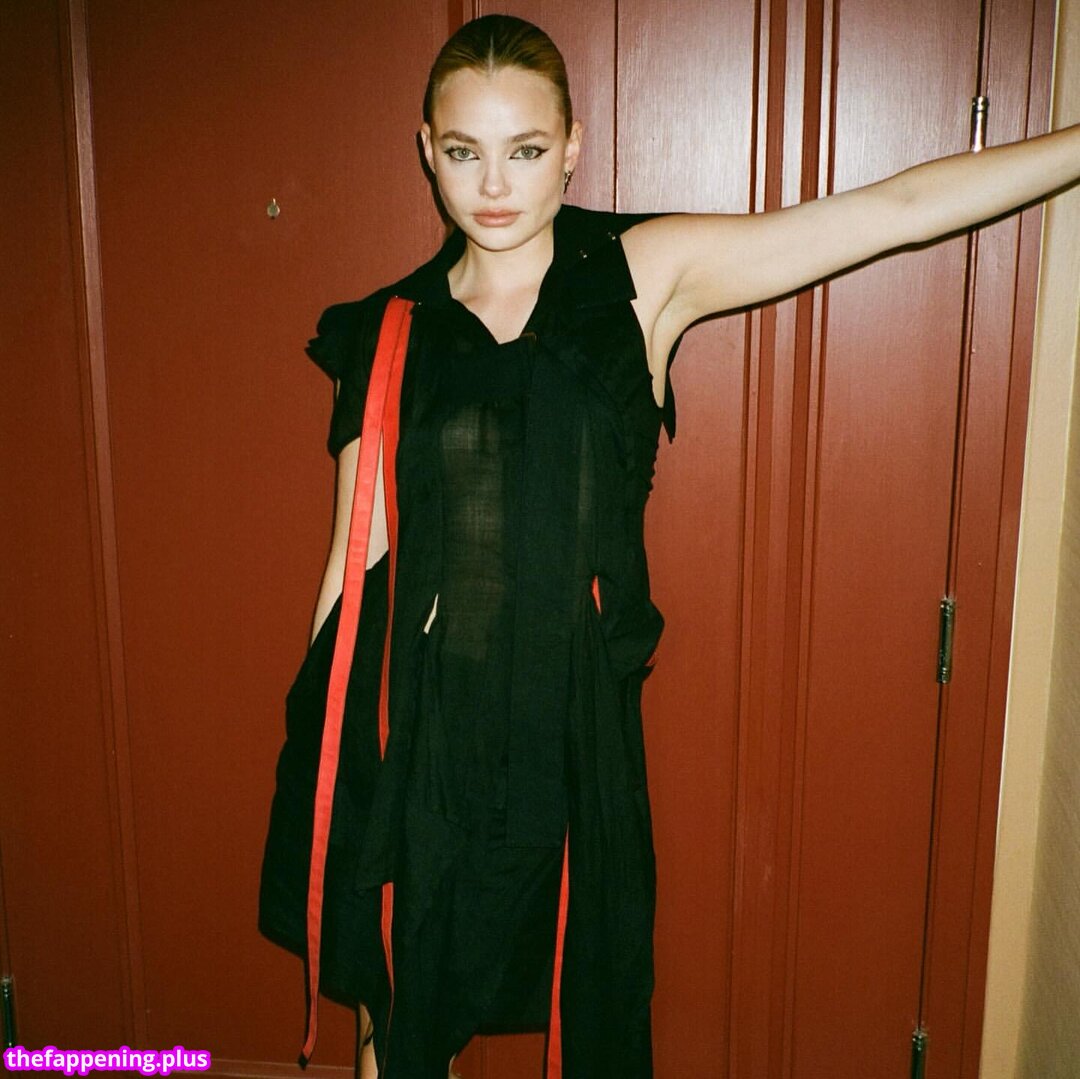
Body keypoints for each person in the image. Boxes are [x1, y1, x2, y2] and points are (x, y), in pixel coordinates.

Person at [258, 14, 1080, 1079]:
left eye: (526, 149)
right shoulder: (387, 330)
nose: (494, 185)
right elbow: (352, 561)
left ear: (573, 146)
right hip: (419, 734)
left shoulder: (638, 279)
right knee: (403, 1020)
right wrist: (333, 790)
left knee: (593, 1014)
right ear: (427, 148)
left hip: (571, 733)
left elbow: (896, 212)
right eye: (464, 151)